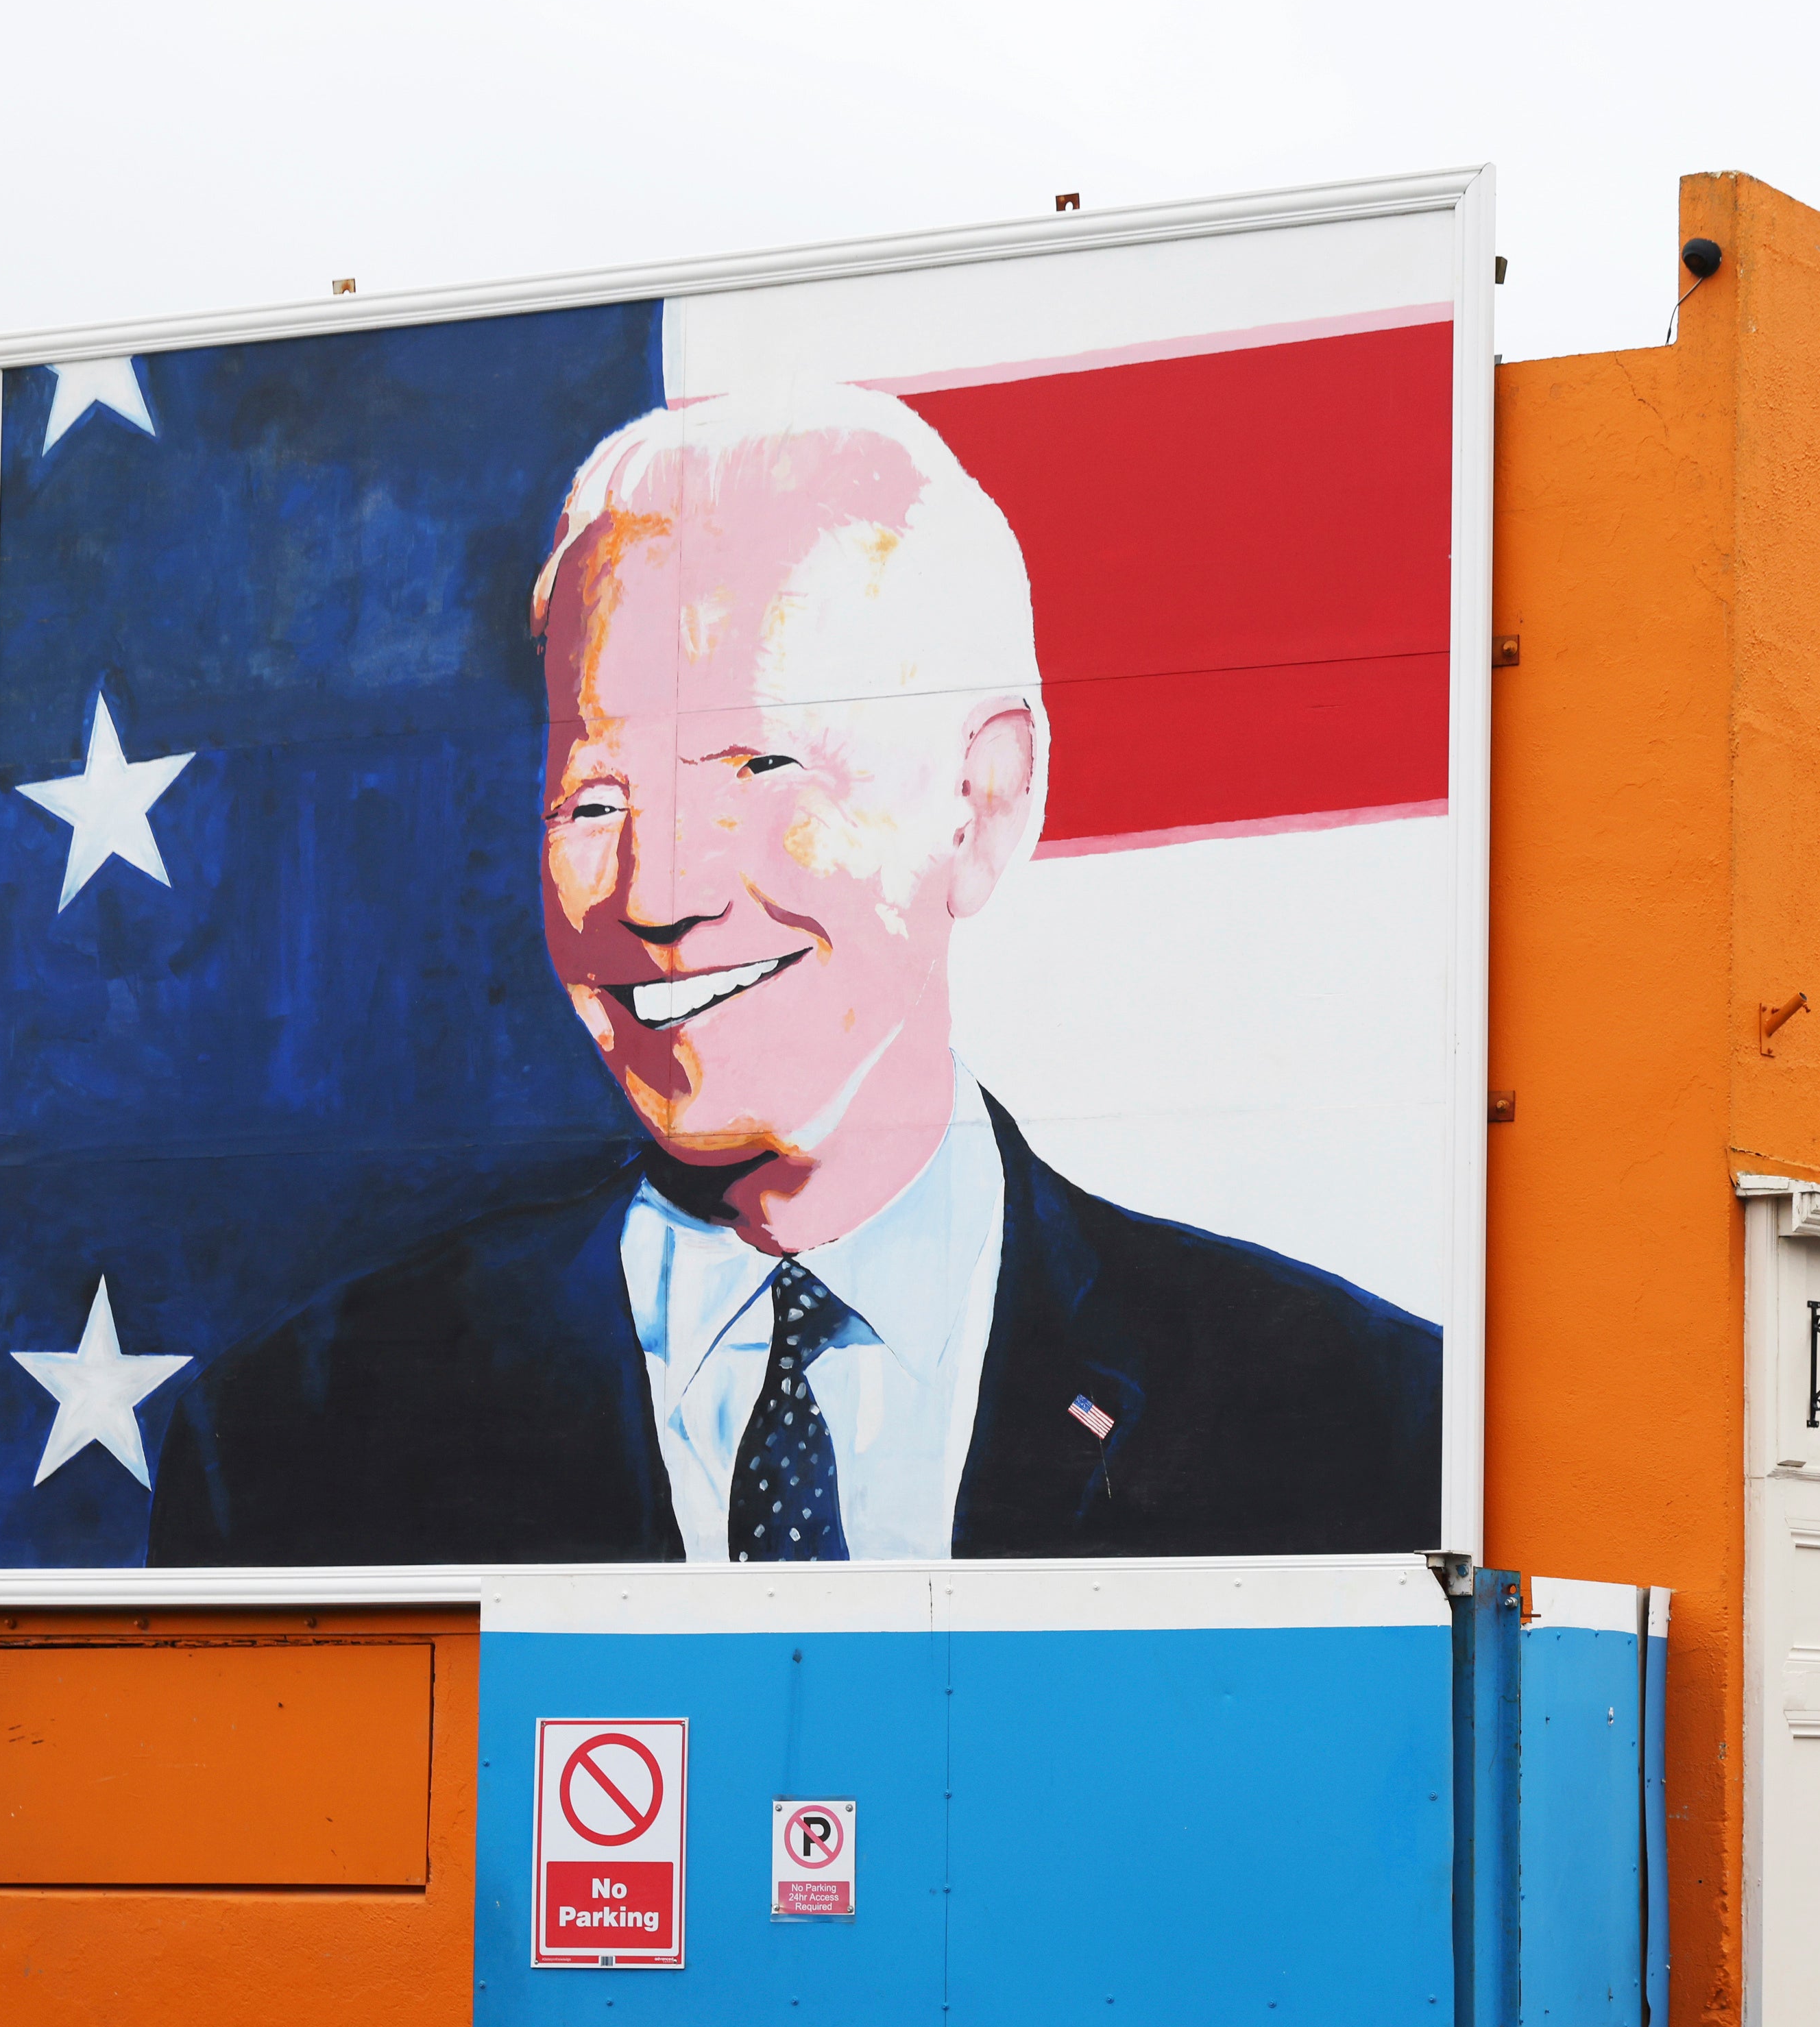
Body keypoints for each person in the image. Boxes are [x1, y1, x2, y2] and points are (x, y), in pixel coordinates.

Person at [151, 383, 1438, 1566]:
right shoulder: (290, 1445)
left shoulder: (1356, 1420)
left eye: (756, 772)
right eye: (594, 799)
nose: (658, 894)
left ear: (982, 801)